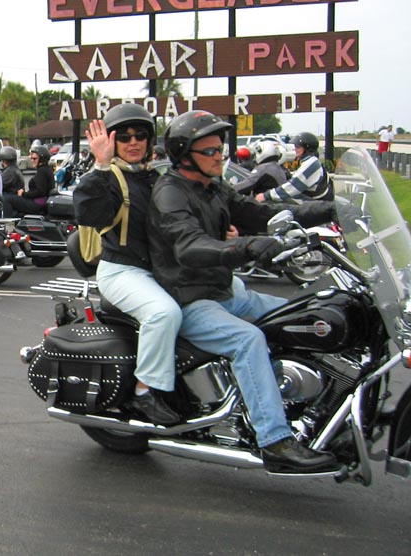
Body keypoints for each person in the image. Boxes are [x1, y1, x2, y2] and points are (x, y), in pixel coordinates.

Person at [147, 110, 341, 473]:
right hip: (190, 298)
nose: (219, 156)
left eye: (219, 149)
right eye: (210, 151)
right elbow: (189, 246)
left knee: (303, 314)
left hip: (224, 291)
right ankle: (275, 441)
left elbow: (260, 212)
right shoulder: (170, 194)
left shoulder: (213, 187)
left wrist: (332, 210)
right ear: (184, 155)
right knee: (248, 340)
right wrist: (248, 247)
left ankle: (314, 406)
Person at [73, 103, 182, 426]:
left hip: (159, 270)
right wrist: (100, 164)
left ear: (150, 140)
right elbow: (88, 212)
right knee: (163, 313)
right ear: (112, 141)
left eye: (140, 136)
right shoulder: (110, 178)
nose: (133, 142)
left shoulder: (156, 177)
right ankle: (144, 392)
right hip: (122, 270)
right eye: (124, 137)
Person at [255, 131, 333, 204]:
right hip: (315, 203)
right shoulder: (310, 161)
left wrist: (266, 195)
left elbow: (292, 187)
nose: (295, 148)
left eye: (298, 146)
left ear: (307, 148)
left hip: (315, 205)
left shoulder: (311, 164)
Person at [3, 145, 55, 217]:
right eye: (31, 158)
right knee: (12, 198)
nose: (32, 160)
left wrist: (24, 194)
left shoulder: (42, 171)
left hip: (37, 204)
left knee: (6, 198)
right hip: (40, 202)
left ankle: (7, 221)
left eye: (34, 159)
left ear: (42, 159)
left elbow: (40, 191)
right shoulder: (46, 169)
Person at [0, 146, 25, 211]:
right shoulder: (14, 169)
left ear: (2, 161)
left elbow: (0, 185)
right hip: (16, 198)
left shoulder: (9, 172)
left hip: (12, 200)